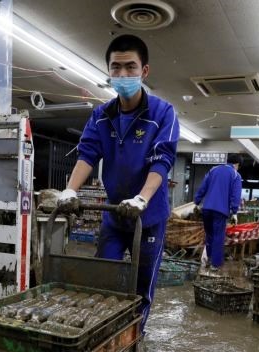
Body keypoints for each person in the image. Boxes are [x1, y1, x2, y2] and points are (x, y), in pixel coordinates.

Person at [57, 34, 179, 333]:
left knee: (141, 287)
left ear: (144, 71)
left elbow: (162, 160)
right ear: (109, 71)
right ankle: (106, 336)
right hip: (114, 214)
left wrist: (142, 198)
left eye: (130, 67)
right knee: (105, 279)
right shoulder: (101, 116)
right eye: (116, 68)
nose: (123, 74)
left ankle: (135, 339)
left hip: (148, 216)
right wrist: (71, 189)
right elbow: (87, 154)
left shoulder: (163, 113)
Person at [194, 153, 243, 272]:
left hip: (207, 209)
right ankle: (215, 264)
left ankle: (208, 260)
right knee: (218, 237)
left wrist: (197, 201)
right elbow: (235, 196)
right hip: (220, 211)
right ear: (237, 164)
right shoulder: (235, 175)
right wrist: (234, 212)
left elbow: (203, 186)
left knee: (209, 235)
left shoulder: (213, 170)